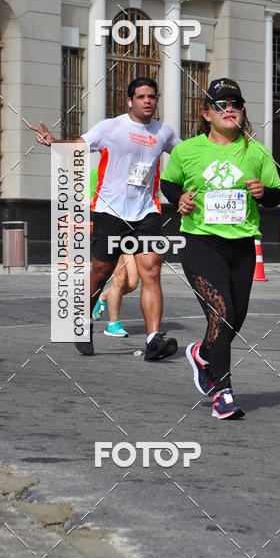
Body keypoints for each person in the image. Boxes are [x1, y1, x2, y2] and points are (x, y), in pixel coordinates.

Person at [161, 78, 280, 419]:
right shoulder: (187, 150)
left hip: (241, 244)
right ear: (207, 114)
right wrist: (179, 198)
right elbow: (168, 183)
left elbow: (277, 193)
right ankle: (223, 392)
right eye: (221, 105)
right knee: (222, 314)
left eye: (235, 104)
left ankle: (202, 353)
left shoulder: (256, 151)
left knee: (234, 319)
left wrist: (263, 193)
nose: (229, 109)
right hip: (200, 240)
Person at [32, 77, 179, 360]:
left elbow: (185, 156)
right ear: (129, 100)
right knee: (100, 273)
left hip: (147, 212)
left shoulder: (164, 132)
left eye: (152, 96)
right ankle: (82, 323)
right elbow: (78, 146)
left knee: (152, 271)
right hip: (109, 212)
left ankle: (152, 340)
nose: (147, 101)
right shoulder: (111, 127)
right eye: (141, 97)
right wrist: (53, 142)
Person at [88, 165, 140, 337]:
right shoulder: (98, 172)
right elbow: (87, 201)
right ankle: (113, 324)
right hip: (111, 229)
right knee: (120, 278)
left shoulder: (134, 171)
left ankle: (102, 298)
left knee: (132, 283)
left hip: (132, 229)